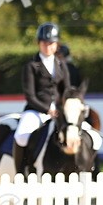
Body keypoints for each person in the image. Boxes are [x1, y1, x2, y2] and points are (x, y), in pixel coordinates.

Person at [13, 22, 70, 176]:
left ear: (56, 44)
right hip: (36, 110)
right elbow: (29, 95)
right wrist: (47, 110)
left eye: (51, 43)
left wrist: (65, 107)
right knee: (21, 136)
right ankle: (21, 171)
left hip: (58, 111)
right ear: (39, 43)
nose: (47, 46)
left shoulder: (61, 65)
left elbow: (66, 91)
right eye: (44, 43)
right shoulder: (31, 66)